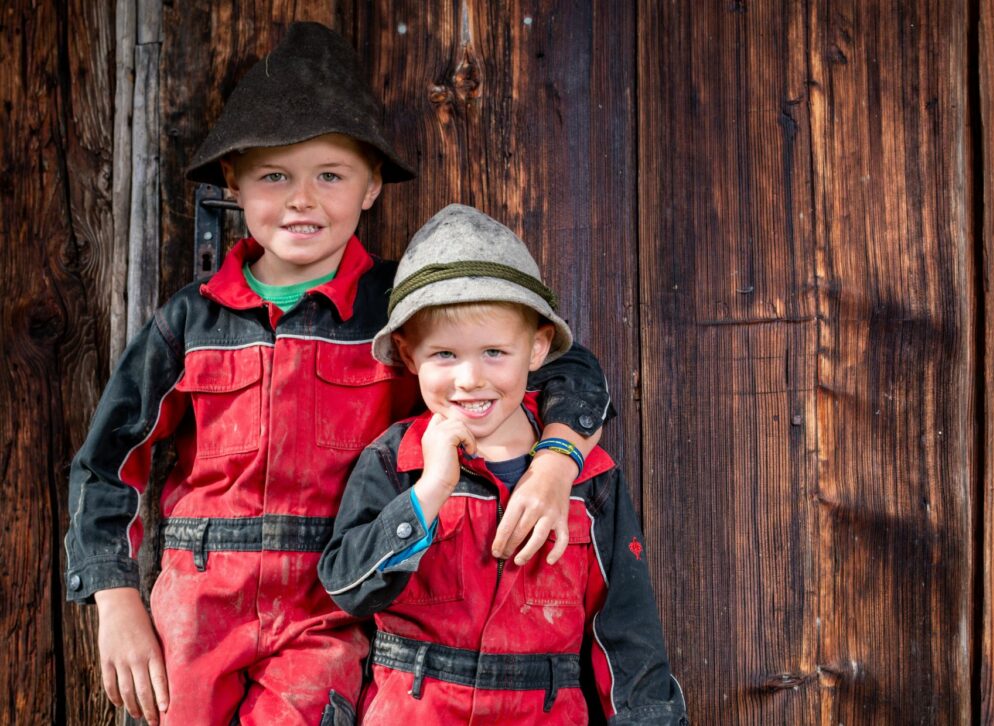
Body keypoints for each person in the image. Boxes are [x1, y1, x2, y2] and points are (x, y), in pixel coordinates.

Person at [64, 24, 610, 725]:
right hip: (198, 609)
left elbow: (564, 364)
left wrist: (559, 459)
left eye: (330, 175)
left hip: (333, 604)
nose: (302, 200)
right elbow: (107, 465)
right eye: (273, 175)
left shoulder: (402, 316)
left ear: (373, 184)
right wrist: (115, 598)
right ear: (233, 181)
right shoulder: (190, 324)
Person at [318, 204, 688, 724]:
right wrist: (429, 492)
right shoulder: (392, 461)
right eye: (444, 355)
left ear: (537, 349)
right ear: (408, 356)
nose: (470, 378)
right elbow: (348, 590)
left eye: (494, 351)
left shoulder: (591, 480)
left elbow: (626, 631)